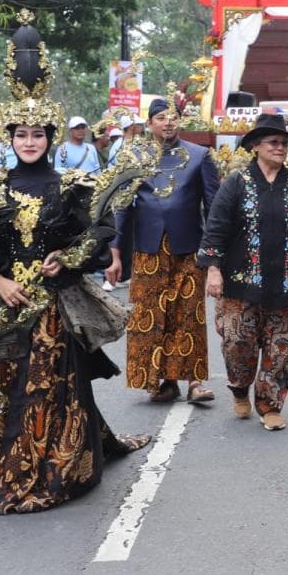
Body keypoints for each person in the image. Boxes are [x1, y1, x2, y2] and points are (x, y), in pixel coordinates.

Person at [0, 11, 151, 514]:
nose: (29, 141)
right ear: (8, 139)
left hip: (52, 304)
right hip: (2, 299)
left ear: (51, 139)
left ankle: (47, 469)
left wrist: (67, 262)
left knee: (51, 386)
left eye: (38, 134)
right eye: (20, 134)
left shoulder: (71, 187)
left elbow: (97, 235)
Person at [197, 113, 288, 430]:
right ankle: (239, 388)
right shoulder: (235, 183)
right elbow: (215, 228)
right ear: (256, 145)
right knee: (237, 342)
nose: (281, 148)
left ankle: (270, 404)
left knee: (282, 348)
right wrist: (213, 270)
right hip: (240, 282)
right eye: (274, 142)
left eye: (285, 143)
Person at [110, 98, 220, 404]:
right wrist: (116, 252)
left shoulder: (199, 156)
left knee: (188, 315)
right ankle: (162, 380)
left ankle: (195, 381)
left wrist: (214, 256)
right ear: (150, 124)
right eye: (161, 117)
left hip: (189, 248)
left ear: (181, 121)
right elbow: (122, 208)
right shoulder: (134, 157)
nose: (168, 122)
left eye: (173, 117)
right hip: (148, 249)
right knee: (151, 315)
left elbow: (214, 208)